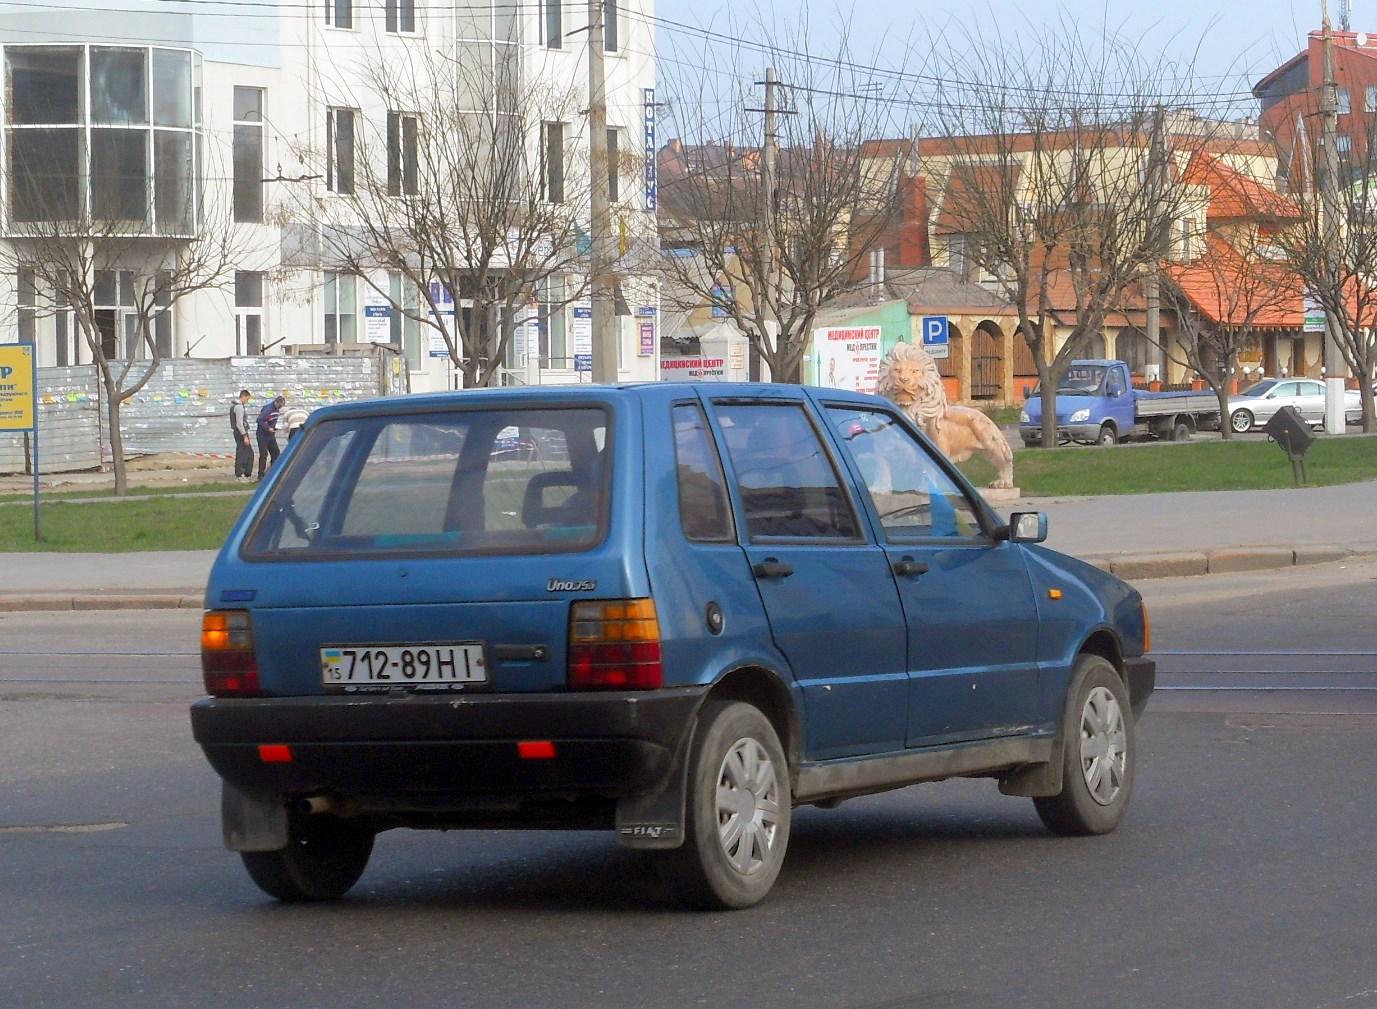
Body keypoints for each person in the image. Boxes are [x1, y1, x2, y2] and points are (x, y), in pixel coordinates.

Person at [256, 395, 286, 479]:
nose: (280, 407)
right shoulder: (268, 409)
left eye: (281, 406)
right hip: (262, 435)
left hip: (270, 435)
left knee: (276, 453)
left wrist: (274, 427)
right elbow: (259, 420)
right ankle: (261, 475)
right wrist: (268, 428)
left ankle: (271, 472)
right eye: (279, 405)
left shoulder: (276, 410)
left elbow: (271, 421)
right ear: (276, 402)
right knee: (263, 454)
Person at [230, 389, 254, 480]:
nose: (247, 401)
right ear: (243, 396)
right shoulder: (239, 407)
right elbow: (239, 423)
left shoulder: (234, 406)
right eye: (247, 399)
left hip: (238, 432)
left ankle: (244, 472)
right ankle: (241, 473)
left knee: (244, 452)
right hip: (241, 433)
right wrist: (245, 436)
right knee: (245, 453)